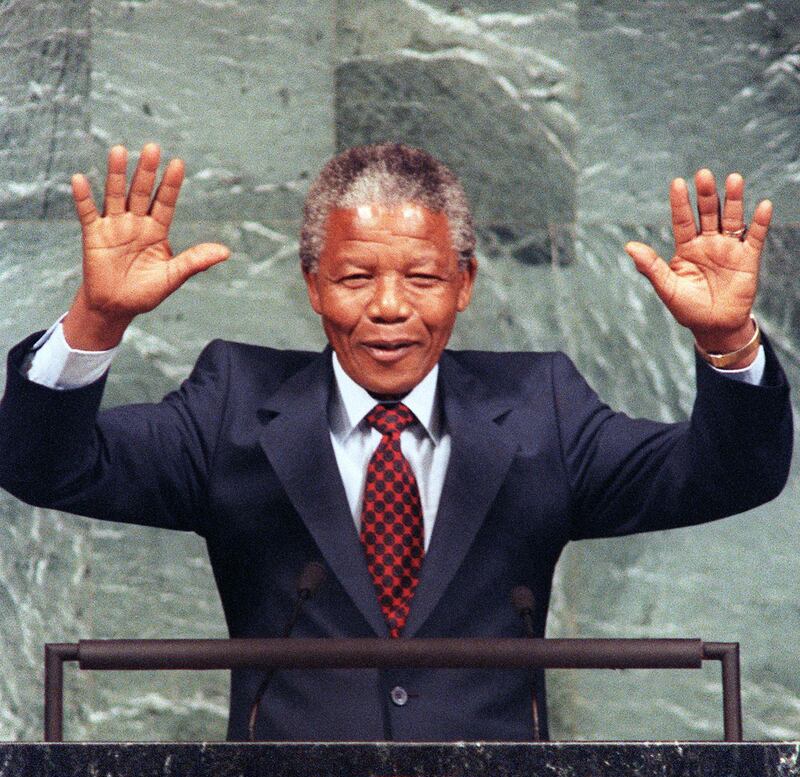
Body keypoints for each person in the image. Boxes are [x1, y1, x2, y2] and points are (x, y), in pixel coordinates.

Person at [0, 143, 792, 742]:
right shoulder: (233, 404)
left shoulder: (540, 406)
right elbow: (47, 466)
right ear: (312, 283)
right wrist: (96, 322)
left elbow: (725, 475)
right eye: (354, 279)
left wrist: (728, 343)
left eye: (421, 278)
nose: (389, 308)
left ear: (465, 285)